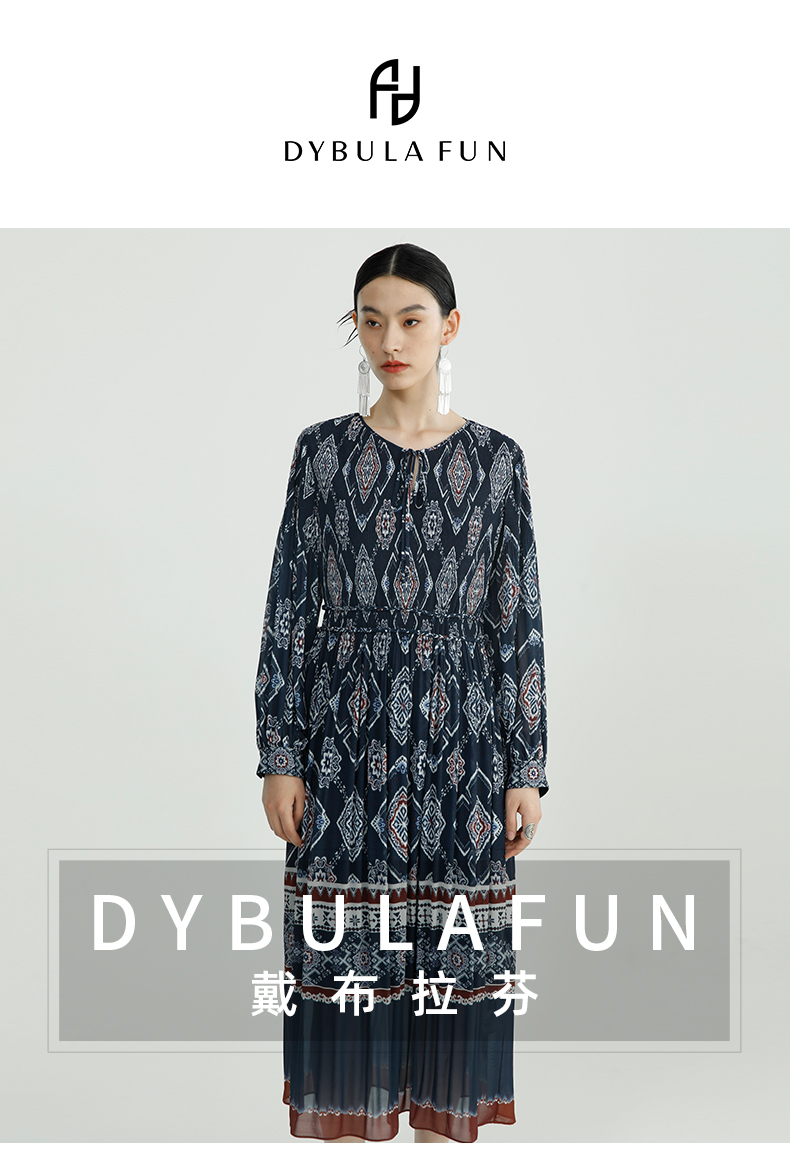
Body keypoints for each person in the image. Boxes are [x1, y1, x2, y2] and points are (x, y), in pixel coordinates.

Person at [255, 243, 549, 1143]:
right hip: (347, 742)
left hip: (468, 748)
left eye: (411, 320)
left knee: (456, 967)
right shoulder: (322, 454)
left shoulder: (498, 461)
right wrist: (280, 753)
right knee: (350, 958)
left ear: (449, 327)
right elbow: (289, 608)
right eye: (371, 320)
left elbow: (518, 620)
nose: (391, 340)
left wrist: (525, 766)